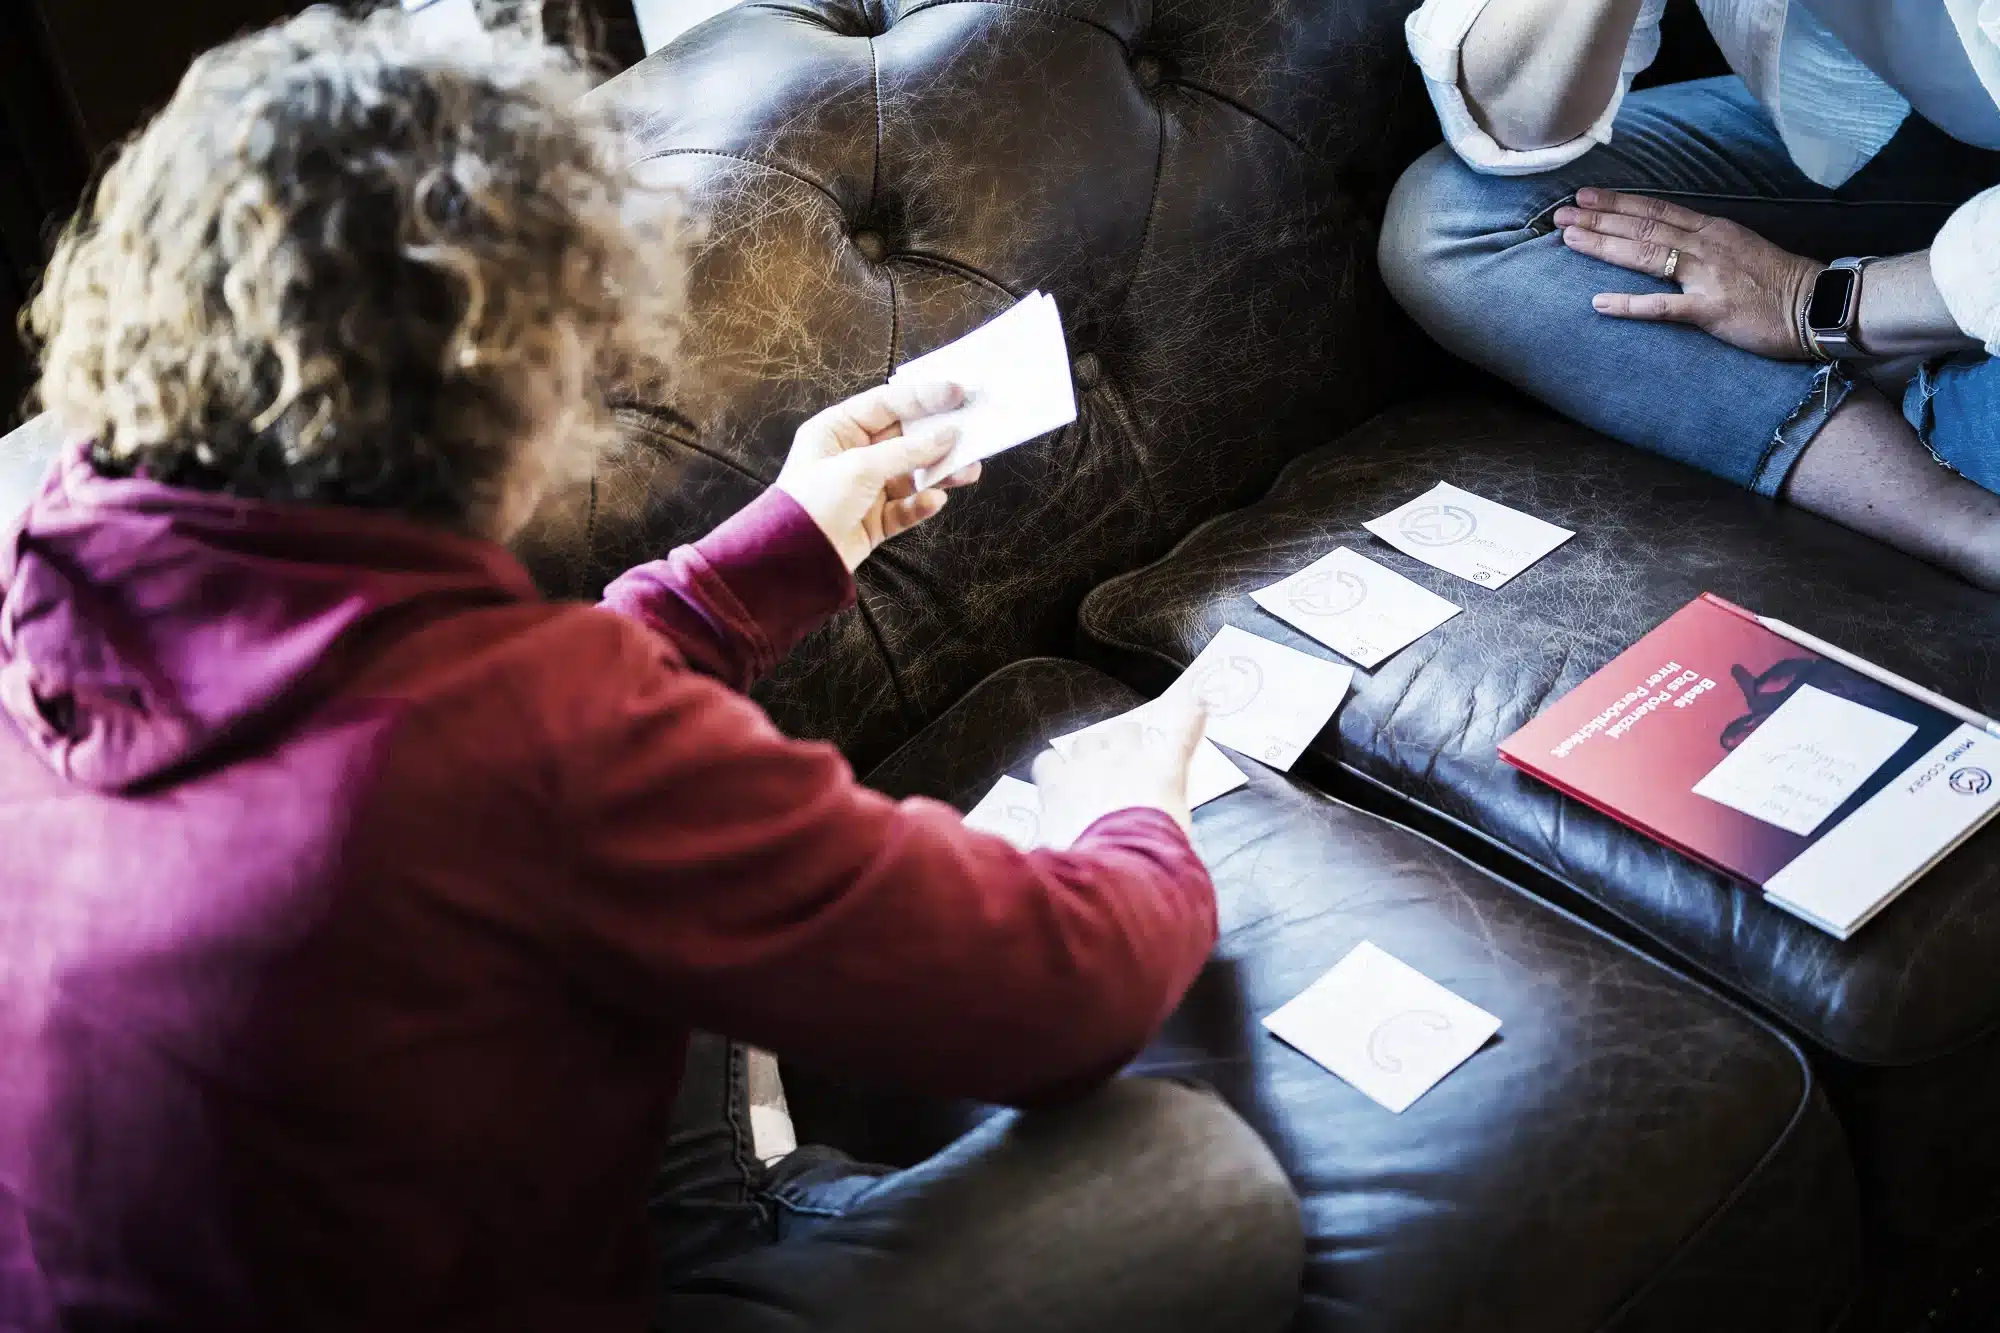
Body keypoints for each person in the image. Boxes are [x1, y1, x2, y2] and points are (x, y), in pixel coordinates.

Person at [0, 10, 1303, 1332]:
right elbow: (1066, 993)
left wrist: (795, 537)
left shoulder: (63, 581)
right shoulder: (524, 751)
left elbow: (413, 730)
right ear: (511, 395)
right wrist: (1140, 818)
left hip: (330, 1205)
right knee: (1195, 1185)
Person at [1380, 0, 2000, 589]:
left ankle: (1931, 367)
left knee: (1983, 425)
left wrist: (1819, 302)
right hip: (1901, 116)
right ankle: (1958, 519)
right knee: (1458, 226)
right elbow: (1510, 116)